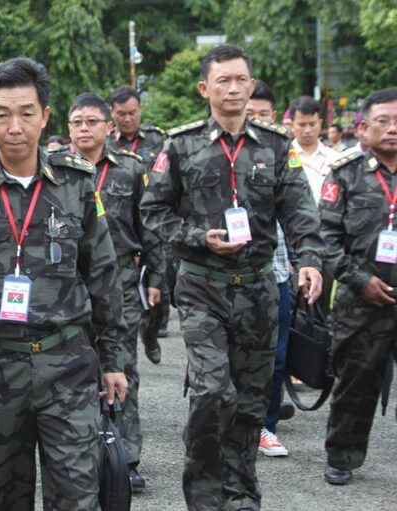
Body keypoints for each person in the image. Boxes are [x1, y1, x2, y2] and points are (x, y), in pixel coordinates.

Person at [0, 57, 130, 509]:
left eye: (27, 113)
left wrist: (114, 359)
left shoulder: (76, 185)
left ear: (46, 116)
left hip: (67, 364)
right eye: (2, 114)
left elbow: (104, 276)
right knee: (2, 498)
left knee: (77, 495)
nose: (15, 126)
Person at [139, 44, 324, 511]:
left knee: (249, 399)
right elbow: (153, 213)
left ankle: (241, 494)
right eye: (223, 80)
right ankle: (203, 493)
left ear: (251, 83)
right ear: (205, 88)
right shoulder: (180, 146)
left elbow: (300, 211)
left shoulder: (277, 145)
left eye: (242, 79)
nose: (235, 88)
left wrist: (310, 260)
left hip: (260, 288)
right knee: (211, 392)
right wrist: (200, 237)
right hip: (202, 286)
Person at [60, 91, 162, 491]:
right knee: (71, 369)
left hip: (118, 279)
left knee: (121, 367)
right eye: (77, 122)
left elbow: (149, 227)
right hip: (67, 283)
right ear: (67, 128)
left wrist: (156, 279)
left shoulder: (131, 170)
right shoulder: (58, 170)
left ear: (108, 126)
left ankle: (126, 455)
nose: (84, 129)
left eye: (92, 122)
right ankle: (80, 450)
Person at [318, 88, 397, 486]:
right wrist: (360, 280)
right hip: (361, 298)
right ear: (363, 127)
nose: (393, 129)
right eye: (383, 121)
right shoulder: (345, 172)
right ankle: (343, 454)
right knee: (356, 382)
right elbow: (326, 239)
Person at [246, 80, 296, 458]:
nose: (256, 120)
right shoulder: (213, 152)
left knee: (274, 357)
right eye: (250, 114)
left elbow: (301, 214)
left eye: (263, 114)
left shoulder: (281, 151)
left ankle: (267, 424)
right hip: (227, 275)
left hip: (275, 272)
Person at [108, 85, 174, 339]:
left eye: (132, 113)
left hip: (155, 215)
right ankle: (136, 322)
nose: (127, 119)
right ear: (112, 113)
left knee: (160, 271)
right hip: (124, 216)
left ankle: (156, 324)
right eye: (121, 113)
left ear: (140, 110)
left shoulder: (157, 139)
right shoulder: (105, 143)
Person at [288, 95, 341, 204]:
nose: (307, 130)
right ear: (292, 125)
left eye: (312, 124)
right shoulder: (281, 158)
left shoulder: (335, 158)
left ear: (320, 123)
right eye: (302, 125)